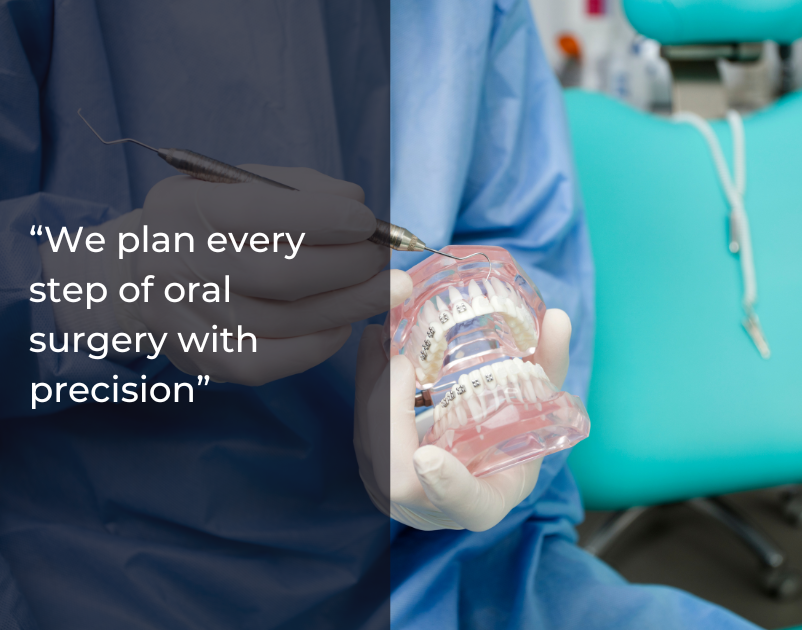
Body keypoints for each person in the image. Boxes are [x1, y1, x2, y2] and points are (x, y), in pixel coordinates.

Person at [0, 0, 760, 628]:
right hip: (84, 574)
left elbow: (517, 234)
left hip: (447, 572)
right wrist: (80, 283)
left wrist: (465, 418)